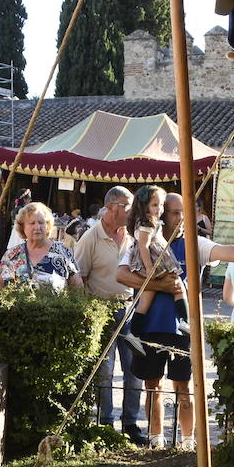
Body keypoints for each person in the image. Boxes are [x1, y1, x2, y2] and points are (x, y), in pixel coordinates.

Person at [118, 192, 234, 450]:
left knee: (184, 386)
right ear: (163, 214)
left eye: (184, 212)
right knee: (152, 385)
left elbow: (225, 250)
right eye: (175, 212)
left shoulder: (194, 243)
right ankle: (156, 437)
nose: (181, 218)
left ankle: (187, 440)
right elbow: (121, 275)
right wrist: (163, 286)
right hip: (150, 326)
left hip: (183, 327)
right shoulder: (145, 240)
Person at [73, 186, 144, 445]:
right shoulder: (90, 237)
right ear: (113, 207)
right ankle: (105, 424)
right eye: (128, 206)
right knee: (104, 371)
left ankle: (131, 423)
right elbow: (77, 277)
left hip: (129, 310)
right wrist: (89, 312)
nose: (133, 211)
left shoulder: (133, 237)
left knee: (135, 368)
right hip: (101, 310)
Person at [126, 185, 189, 343]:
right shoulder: (147, 224)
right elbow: (144, 246)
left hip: (149, 263)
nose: (159, 209)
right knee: (178, 287)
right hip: (153, 263)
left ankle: (134, 334)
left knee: (145, 301)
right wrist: (149, 267)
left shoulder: (147, 222)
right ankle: (185, 321)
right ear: (143, 205)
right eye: (155, 205)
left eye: (161, 205)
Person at [0, 202, 83, 291]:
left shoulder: (63, 253)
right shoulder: (12, 254)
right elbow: (0, 288)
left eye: (41, 222)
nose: (37, 227)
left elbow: (78, 288)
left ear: (48, 226)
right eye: (32, 223)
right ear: (23, 227)